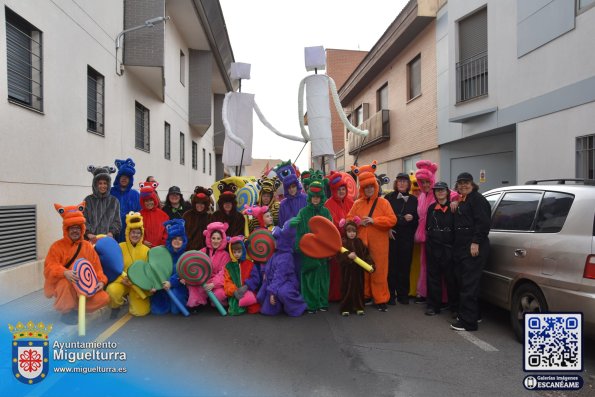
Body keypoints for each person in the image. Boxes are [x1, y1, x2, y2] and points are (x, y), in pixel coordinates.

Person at [44, 202, 109, 324]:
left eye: (78, 228)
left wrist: (101, 281)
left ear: (82, 229)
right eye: (72, 228)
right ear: (66, 229)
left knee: (104, 298)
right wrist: (64, 272)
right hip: (67, 285)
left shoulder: (87, 246)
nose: (75, 231)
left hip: (84, 285)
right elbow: (49, 266)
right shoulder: (56, 246)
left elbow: (97, 268)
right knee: (64, 283)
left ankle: (78, 307)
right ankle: (66, 312)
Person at [347, 161, 397, 312]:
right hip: (362, 242)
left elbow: (392, 220)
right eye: (366, 187)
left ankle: (381, 299)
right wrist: (358, 221)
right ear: (362, 188)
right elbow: (349, 218)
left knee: (379, 271)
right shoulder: (357, 203)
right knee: (363, 269)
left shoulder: (383, 203)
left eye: (371, 186)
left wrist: (375, 221)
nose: (368, 189)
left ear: (375, 187)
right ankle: (366, 295)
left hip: (380, 243)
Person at [451, 173, 491, 331]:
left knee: (469, 284)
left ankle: (468, 323)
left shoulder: (478, 199)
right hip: (462, 247)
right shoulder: (463, 200)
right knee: (465, 282)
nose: (463, 185)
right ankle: (474, 314)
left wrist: (476, 242)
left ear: (472, 184)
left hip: (474, 247)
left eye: (466, 183)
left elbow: (483, 223)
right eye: (460, 183)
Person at [290, 179, 333, 313]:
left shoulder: (326, 212)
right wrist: (299, 246)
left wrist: (331, 249)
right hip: (308, 250)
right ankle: (310, 304)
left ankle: (322, 302)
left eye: (318, 197)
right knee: (309, 277)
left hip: (323, 251)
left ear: (321, 197)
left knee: (322, 277)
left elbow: (331, 232)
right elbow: (298, 231)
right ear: (310, 197)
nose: (316, 199)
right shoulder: (303, 212)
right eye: (314, 197)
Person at [106, 211, 151, 317]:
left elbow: (149, 272)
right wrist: (122, 280)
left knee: (140, 312)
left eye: (138, 233)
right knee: (112, 291)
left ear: (142, 234)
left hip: (138, 285)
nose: (135, 235)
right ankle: (116, 306)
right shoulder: (120, 247)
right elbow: (113, 267)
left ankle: (135, 299)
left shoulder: (147, 250)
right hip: (122, 281)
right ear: (128, 233)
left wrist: (146, 286)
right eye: (133, 232)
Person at [258, 223, 307, 317]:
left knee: (283, 293)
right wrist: (264, 271)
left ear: (284, 241)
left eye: (277, 239)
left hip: (287, 282)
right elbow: (268, 263)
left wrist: (272, 291)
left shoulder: (286, 257)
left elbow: (280, 276)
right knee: (261, 298)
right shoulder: (277, 252)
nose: (274, 241)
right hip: (274, 281)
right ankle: (279, 304)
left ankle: (298, 306)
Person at [385, 173, 419, 305]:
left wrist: (413, 218)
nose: (402, 183)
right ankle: (390, 296)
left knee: (405, 267)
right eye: (399, 181)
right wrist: (387, 229)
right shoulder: (388, 198)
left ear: (408, 184)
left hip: (406, 237)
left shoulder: (413, 199)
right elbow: (384, 216)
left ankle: (403, 295)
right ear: (396, 183)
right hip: (392, 236)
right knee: (392, 267)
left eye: (405, 181)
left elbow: (418, 218)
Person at [425, 182, 457, 316]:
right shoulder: (431, 208)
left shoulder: (454, 207)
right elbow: (427, 227)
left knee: (452, 279)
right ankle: (433, 306)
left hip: (449, 249)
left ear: (447, 192)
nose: (440, 192)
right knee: (433, 278)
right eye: (437, 190)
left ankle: (455, 307)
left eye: (442, 190)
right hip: (434, 248)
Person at [324, 171, 354, 302]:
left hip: (350, 240)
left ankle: (348, 294)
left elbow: (354, 216)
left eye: (343, 189)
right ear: (333, 190)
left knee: (349, 269)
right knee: (336, 270)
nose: (341, 192)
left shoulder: (350, 201)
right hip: (336, 242)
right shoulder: (328, 204)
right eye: (339, 189)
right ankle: (335, 295)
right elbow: (329, 224)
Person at [187, 222, 230, 309]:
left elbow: (224, 272)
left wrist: (213, 284)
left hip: (215, 284)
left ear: (222, 239)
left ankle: (213, 302)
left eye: (218, 238)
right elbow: (193, 264)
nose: (215, 241)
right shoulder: (203, 251)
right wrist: (187, 277)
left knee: (220, 294)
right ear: (209, 239)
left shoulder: (225, 255)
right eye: (213, 238)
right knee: (193, 288)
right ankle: (198, 304)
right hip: (202, 281)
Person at [150, 219, 189, 315]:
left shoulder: (185, 256)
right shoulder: (163, 253)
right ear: (170, 239)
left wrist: (171, 282)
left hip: (178, 286)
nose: (177, 241)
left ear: (183, 241)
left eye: (180, 239)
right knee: (158, 310)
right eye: (174, 238)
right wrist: (154, 284)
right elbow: (156, 269)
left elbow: (181, 273)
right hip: (162, 286)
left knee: (175, 311)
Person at [83, 165, 121, 243]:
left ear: (108, 184)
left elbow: (117, 222)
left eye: (105, 183)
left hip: (107, 241)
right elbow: (83, 219)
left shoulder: (114, 201)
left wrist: (111, 233)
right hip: (90, 240)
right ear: (95, 184)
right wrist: (88, 233)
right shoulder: (88, 200)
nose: (103, 186)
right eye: (100, 183)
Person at [223, 236, 260, 315]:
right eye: (234, 252)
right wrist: (234, 291)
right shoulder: (229, 266)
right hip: (236, 293)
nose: (236, 254)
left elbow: (255, 278)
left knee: (255, 309)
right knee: (234, 311)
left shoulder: (250, 264)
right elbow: (227, 281)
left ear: (243, 251)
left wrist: (246, 286)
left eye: (239, 252)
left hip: (248, 291)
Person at [110, 158, 141, 242]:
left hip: (130, 234)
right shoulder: (110, 192)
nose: (124, 179)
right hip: (111, 233)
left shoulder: (135, 195)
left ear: (130, 179)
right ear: (118, 178)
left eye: (127, 177)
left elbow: (140, 214)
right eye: (122, 177)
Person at [139, 181, 169, 248]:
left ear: (154, 200)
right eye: (146, 201)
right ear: (142, 202)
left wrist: (163, 243)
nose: (149, 203)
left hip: (160, 249)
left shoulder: (163, 215)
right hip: (143, 248)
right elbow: (135, 232)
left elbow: (166, 232)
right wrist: (142, 241)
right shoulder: (139, 216)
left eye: (151, 200)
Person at [183, 186, 212, 251]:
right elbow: (182, 233)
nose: (200, 206)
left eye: (202, 204)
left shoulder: (209, 217)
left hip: (204, 251)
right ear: (194, 203)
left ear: (206, 204)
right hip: (188, 250)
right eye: (198, 203)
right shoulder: (187, 215)